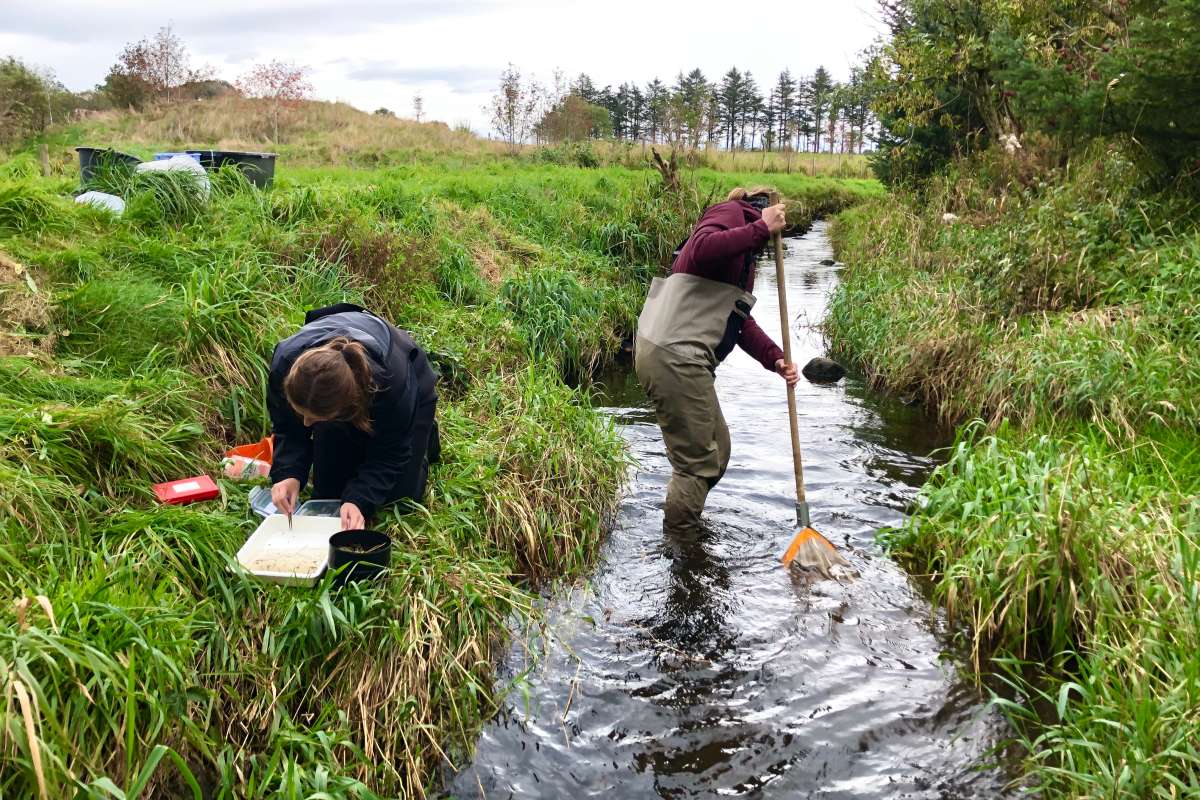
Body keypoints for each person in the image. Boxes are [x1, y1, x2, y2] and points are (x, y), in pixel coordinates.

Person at [634, 187, 799, 536]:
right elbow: (701, 248)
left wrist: (775, 358)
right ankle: (681, 545)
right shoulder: (730, 213)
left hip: (676, 353)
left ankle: (686, 517)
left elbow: (736, 320)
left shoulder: (743, 253)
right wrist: (760, 227)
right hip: (676, 354)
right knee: (697, 464)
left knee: (718, 450)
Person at [268, 303, 440, 531]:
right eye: (302, 413)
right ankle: (341, 435)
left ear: (346, 408)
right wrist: (288, 472)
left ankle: (423, 435)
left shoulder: (393, 384)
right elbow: (287, 426)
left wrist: (359, 500)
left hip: (410, 385)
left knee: (399, 496)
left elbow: (391, 453)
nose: (307, 424)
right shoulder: (285, 365)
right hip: (338, 395)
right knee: (330, 493)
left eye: (314, 418)